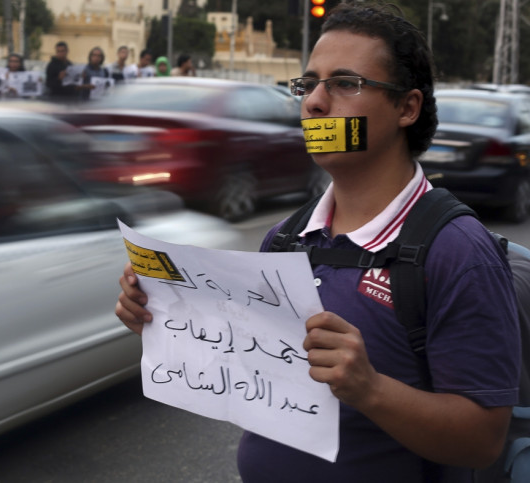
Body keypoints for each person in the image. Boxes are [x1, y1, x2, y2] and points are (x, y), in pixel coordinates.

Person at [115, 3, 520, 482]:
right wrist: (170, 322)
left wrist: (370, 389)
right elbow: (256, 371)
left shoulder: (458, 253)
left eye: (345, 84)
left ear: (407, 108)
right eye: (308, 85)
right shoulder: (286, 238)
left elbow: (482, 442)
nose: (314, 103)